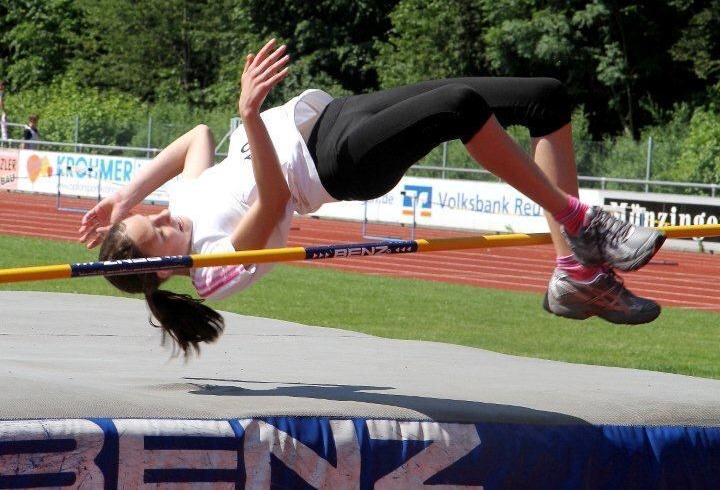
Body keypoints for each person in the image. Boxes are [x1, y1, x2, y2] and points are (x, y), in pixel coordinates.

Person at [80, 40, 667, 356]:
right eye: (153, 231)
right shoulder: (210, 265)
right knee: (458, 107)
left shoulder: (181, 204)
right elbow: (274, 194)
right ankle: (580, 221)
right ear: (161, 272)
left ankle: (575, 271)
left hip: (334, 114)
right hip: (338, 163)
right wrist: (250, 116)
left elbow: (197, 139)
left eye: (148, 215)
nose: (160, 216)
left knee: (546, 99)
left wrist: (123, 196)